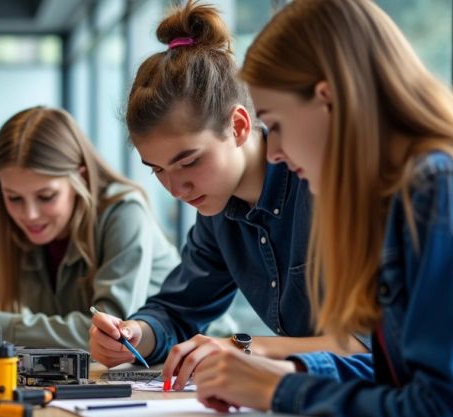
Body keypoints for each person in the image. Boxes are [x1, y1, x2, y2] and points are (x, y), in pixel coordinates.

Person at [189, 0, 453, 417]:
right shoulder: (407, 196)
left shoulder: (445, 194)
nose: (273, 154)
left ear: (328, 99)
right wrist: (292, 374)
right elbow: (401, 382)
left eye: (277, 125)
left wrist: (280, 393)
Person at [88, 1, 368, 384]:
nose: (175, 188)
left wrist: (243, 347)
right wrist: (136, 334)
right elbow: (177, 310)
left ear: (238, 126)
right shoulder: (217, 211)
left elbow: (368, 346)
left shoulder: (321, 182)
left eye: (188, 162)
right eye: (158, 170)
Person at [0, 106, 180, 350]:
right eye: (14, 198)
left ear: (80, 178)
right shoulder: (16, 235)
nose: (30, 215)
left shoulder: (124, 213)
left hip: (186, 375)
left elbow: (112, 332)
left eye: (46, 196)